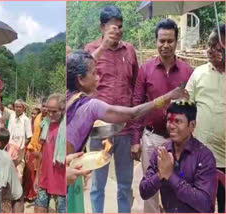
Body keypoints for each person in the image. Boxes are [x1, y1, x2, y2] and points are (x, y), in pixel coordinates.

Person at [66, 50, 188, 212]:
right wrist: (168, 96)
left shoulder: (67, 98)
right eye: (94, 73)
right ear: (80, 79)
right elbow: (133, 113)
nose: (98, 78)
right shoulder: (91, 106)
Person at [131, 18, 193, 213]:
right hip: (152, 138)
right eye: (162, 41)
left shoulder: (188, 72)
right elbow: (137, 105)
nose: (165, 45)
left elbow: (193, 106)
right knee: (151, 188)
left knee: (178, 185)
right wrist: (135, 139)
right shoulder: (145, 69)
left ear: (177, 41)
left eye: (170, 41)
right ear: (156, 41)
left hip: (180, 142)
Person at [84, 5, 139, 212]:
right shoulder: (91, 50)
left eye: (120, 27)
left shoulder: (130, 50)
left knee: (125, 185)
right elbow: (81, 78)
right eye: (112, 27)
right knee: (98, 185)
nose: (117, 31)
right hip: (100, 130)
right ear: (102, 27)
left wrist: (136, 136)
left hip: (124, 130)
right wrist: (104, 46)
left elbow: (136, 92)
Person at [139, 101, 216, 213]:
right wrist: (160, 175)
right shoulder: (161, 153)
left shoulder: (204, 157)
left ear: (192, 125)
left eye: (178, 121)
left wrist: (170, 176)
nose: (171, 126)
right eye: (169, 121)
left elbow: (204, 204)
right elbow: (144, 192)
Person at [186, 24, 225, 213]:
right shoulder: (198, 73)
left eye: (216, 47)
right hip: (200, 158)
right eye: (209, 46)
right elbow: (185, 107)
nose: (209, 51)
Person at [34, 93, 66, 213]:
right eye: (48, 111)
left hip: (62, 180)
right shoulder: (45, 124)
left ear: (63, 110)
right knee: (38, 209)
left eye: (54, 111)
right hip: (45, 177)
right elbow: (42, 152)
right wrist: (37, 177)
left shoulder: (67, 127)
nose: (50, 115)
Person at [1, 99, 32, 181]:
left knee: (18, 171)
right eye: (16, 107)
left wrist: (21, 148)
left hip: (20, 149)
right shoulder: (11, 115)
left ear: (23, 108)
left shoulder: (26, 120)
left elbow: (29, 137)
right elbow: (1, 108)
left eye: (20, 107)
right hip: (9, 147)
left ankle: (18, 191)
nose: (18, 109)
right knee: (7, 169)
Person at [24, 99, 48, 201]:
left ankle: (41, 196)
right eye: (43, 106)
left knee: (42, 173)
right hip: (33, 148)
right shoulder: (38, 118)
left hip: (45, 150)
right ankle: (30, 194)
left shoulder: (51, 119)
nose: (44, 109)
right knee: (30, 172)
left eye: (46, 107)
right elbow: (33, 133)